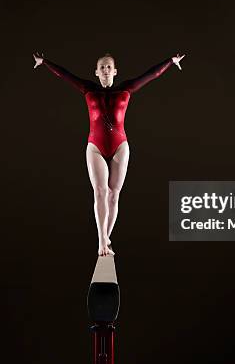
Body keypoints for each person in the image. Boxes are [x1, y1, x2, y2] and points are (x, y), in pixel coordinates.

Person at [34, 51, 185, 256]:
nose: (105, 70)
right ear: (96, 72)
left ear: (115, 71)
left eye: (108, 67)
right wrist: (45, 62)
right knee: (100, 192)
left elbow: (151, 75)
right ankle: (102, 242)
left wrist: (170, 61)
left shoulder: (126, 88)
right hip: (95, 146)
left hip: (120, 146)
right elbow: (65, 75)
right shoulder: (88, 88)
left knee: (114, 195)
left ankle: (106, 236)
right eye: (101, 67)